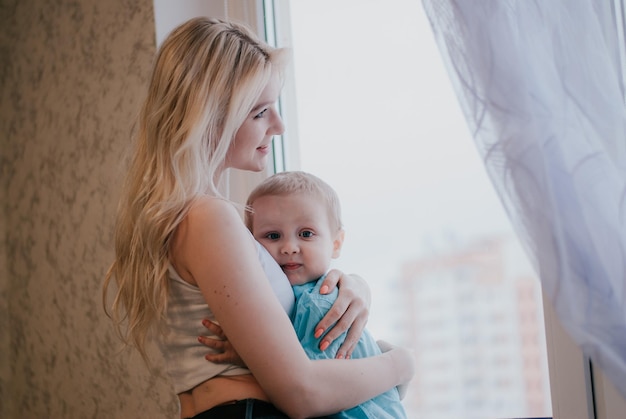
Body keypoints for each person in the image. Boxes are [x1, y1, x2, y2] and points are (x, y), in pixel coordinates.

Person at [103, 16, 414, 419]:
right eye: (260, 112)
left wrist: (353, 286)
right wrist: (400, 363)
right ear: (210, 116)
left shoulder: (182, 216)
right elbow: (302, 393)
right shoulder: (207, 218)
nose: (279, 126)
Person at [245, 170, 408, 418]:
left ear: (336, 244)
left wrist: (244, 357)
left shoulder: (319, 304)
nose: (289, 247)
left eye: (306, 234)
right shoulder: (295, 298)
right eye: (273, 236)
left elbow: (305, 387)